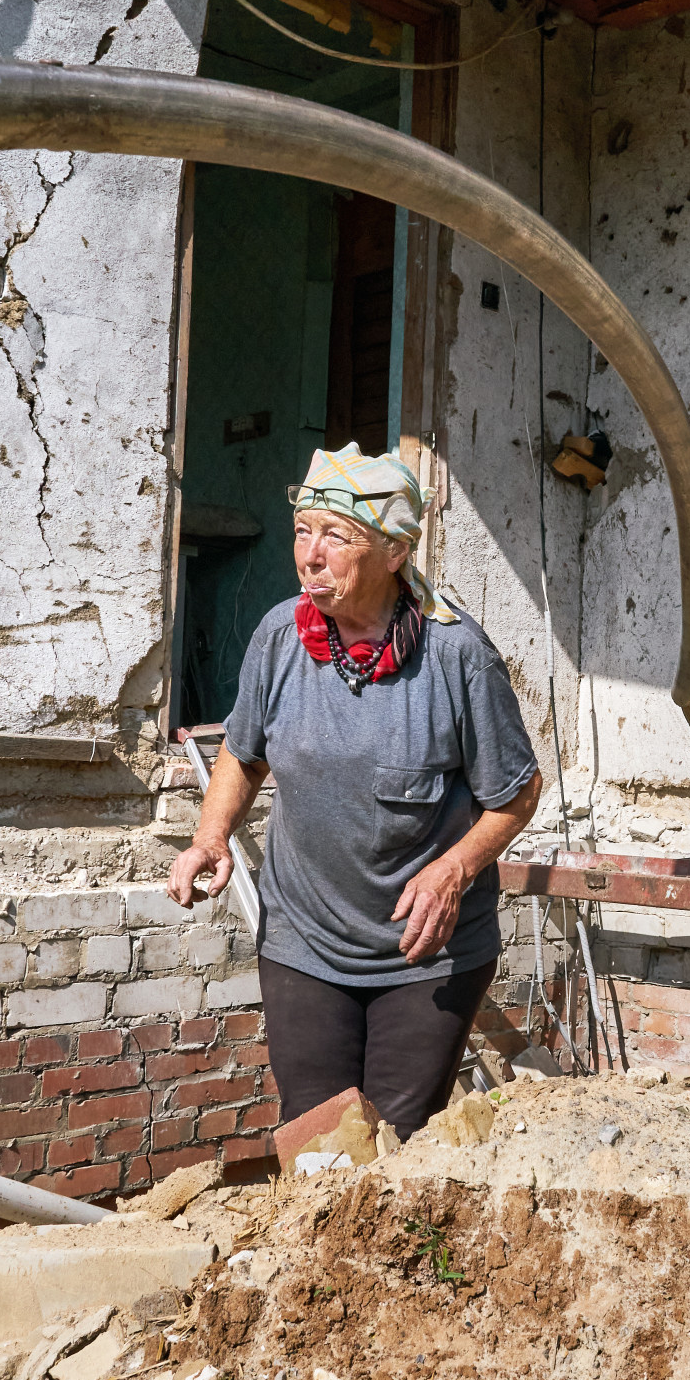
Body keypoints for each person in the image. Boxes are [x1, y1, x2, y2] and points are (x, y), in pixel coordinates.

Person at [167, 443, 541, 1139]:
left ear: (396, 551)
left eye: (336, 537)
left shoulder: (456, 656)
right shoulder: (281, 634)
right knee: (317, 1139)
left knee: (396, 1146)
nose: (310, 555)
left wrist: (453, 869)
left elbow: (516, 795)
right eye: (303, 531)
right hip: (304, 941)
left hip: (424, 952)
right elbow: (242, 755)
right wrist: (209, 836)